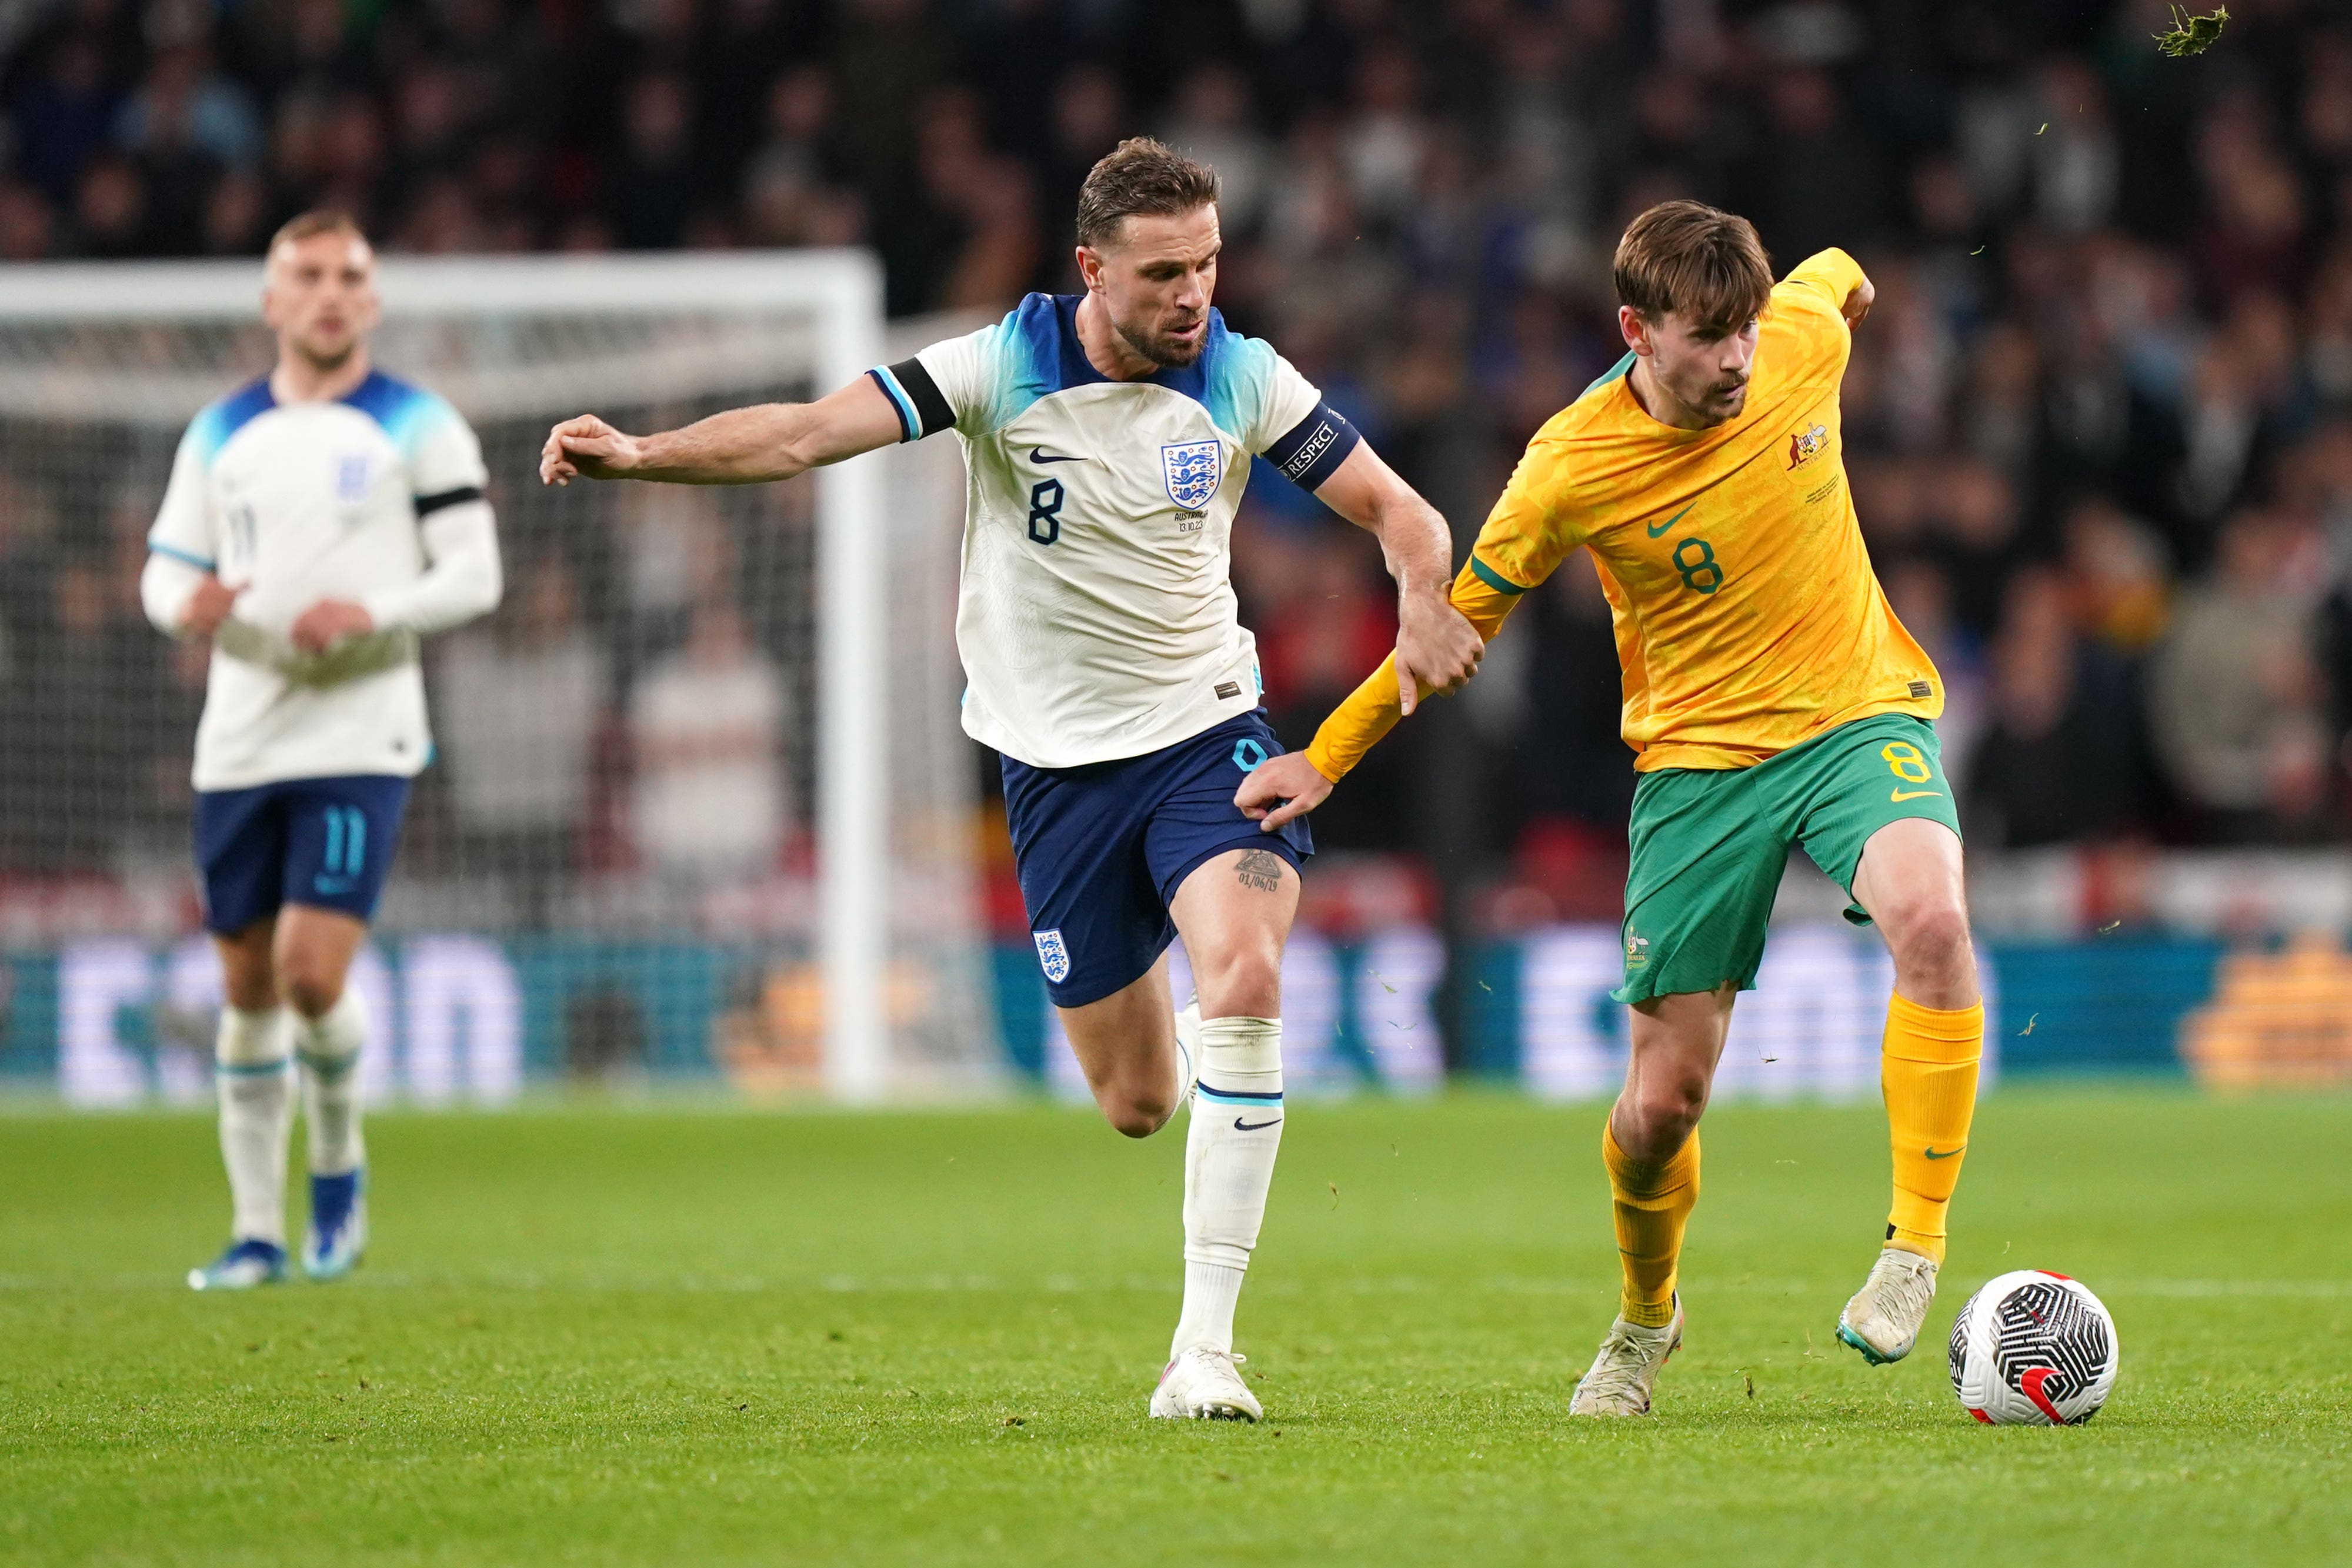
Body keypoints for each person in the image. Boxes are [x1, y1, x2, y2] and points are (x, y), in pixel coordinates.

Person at [541, 138, 1482, 1420]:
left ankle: (1203, 1349)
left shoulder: (1241, 374)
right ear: (1091, 267)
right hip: (1051, 772)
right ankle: (1210, 1057)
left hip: (1209, 733)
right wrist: (646, 455)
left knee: (1249, 973)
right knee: (1138, 1101)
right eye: (1161, 273)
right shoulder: (1001, 365)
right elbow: (809, 435)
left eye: (1207, 265)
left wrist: (1422, 594)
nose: (1192, 296)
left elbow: (1401, 511)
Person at [1239, 200, 1985, 1415]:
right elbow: (1451, 626)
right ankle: (1646, 1317)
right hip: (1695, 769)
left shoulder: (1796, 335)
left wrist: (1831, 296)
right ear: (1634, 329)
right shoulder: (1569, 466)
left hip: (1856, 715)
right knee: (1654, 1110)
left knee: (1934, 924)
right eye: (1708, 337)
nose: (1740, 359)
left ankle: (1912, 1244)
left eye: (1747, 330)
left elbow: (1838, 276)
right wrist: (1326, 754)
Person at [142, 211, 503, 1290]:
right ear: (272, 301)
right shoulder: (219, 432)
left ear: (374, 300)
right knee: (247, 983)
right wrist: (184, 607)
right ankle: (256, 1232)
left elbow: (475, 575)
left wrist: (374, 610)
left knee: (310, 972)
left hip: (362, 729)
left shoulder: (418, 423)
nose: (330, 293)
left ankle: (337, 1161)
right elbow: (164, 569)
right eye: (307, 275)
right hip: (243, 737)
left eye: (350, 275)